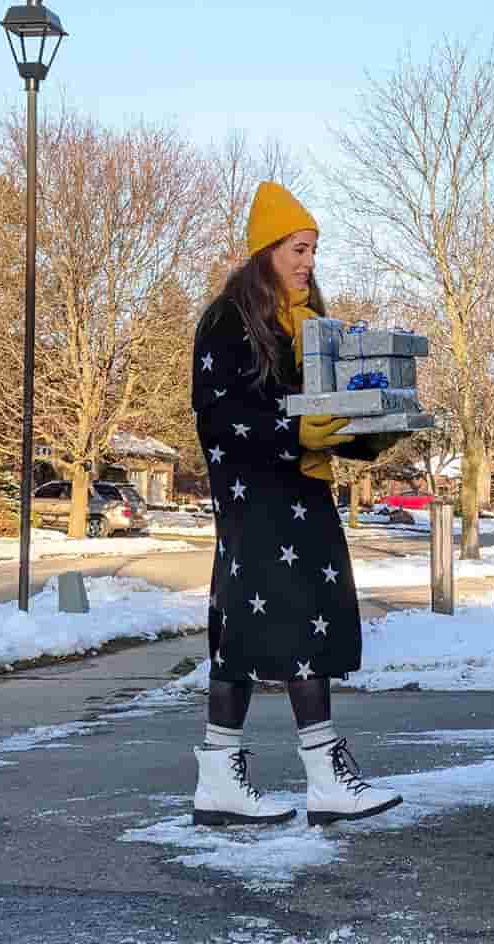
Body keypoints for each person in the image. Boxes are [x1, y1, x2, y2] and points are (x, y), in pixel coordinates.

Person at [190, 180, 402, 828]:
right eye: (298, 249)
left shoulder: (317, 329)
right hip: (255, 499)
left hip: (305, 494)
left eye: (313, 249)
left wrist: (370, 432)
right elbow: (217, 415)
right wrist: (293, 432)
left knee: (247, 636)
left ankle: (221, 782)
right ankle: (323, 779)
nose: (309, 261)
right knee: (287, 623)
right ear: (266, 252)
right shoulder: (228, 321)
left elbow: (330, 416)